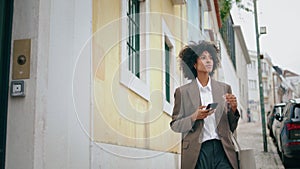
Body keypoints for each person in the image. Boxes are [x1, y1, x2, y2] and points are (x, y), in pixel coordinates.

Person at [170, 41, 240, 169]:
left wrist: (234, 110)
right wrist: (194, 117)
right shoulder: (182, 92)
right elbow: (175, 125)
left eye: (210, 57)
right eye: (203, 57)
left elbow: (232, 126)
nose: (208, 61)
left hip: (223, 149)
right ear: (194, 64)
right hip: (198, 152)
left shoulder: (224, 88)